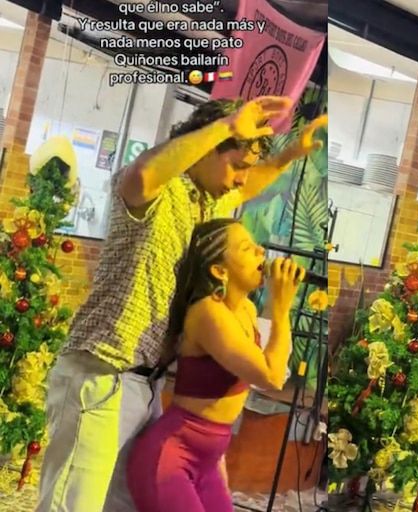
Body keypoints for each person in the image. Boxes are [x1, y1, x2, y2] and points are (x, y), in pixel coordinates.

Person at [37, 96, 326, 512]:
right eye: (236, 165)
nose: (241, 181)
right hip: (102, 374)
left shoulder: (205, 205)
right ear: (206, 148)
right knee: (72, 504)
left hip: (147, 385)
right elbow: (142, 174)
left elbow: (249, 183)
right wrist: (227, 127)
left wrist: (291, 153)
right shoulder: (156, 190)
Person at [125, 219, 303, 511]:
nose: (260, 251)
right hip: (169, 460)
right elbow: (270, 377)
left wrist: (275, 307)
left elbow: (273, 367)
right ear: (220, 271)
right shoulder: (208, 312)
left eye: (256, 245)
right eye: (246, 248)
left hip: (208, 461)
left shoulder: (246, 309)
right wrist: (281, 309)